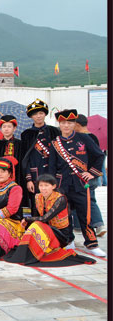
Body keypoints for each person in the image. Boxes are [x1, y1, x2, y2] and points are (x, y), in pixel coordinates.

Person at [48, 109, 105, 257]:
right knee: (64, 215)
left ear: (74, 124)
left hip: (80, 184)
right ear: (59, 124)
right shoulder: (55, 143)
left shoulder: (84, 138)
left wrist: (91, 173)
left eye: (69, 123)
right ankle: (69, 241)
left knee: (85, 215)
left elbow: (99, 155)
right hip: (62, 184)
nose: (66, 126)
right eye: (63, 123)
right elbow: (52, 166)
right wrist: (52, 185)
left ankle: (91, 244)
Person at [6, 174, 92, 266]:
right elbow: (35, 215)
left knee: (37, 224)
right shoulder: (38, 197)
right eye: (41, 185)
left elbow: (45, 218)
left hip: (60, 234)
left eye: (46, 185)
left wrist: (27, 219)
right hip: (46, 228)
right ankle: (27, 252)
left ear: (53, 186)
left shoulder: (60, 199)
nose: (43, 188)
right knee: (32, 226)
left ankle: (32, 253)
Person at [20, 99, 61, 216]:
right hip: (35, 174)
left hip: (52, 172)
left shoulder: (54, 131)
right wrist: (28, 179)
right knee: (36, 203)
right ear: (31, 116)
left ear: (45, 114)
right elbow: (25, 158)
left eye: (41, 113)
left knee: (54, 201)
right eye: (35, 114)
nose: (38, 116)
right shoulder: (26, 134)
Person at [72, 114, 105, 237]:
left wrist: (91, 173)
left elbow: (97, 157)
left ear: (77, 124)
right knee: (81, 198)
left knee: (88, 199)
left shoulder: (85, 138)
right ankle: (78, 225)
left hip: (87, 176)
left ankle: (98, 224)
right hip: (90, 175)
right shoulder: (93, 136)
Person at [0, 115, 24, 187]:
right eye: (4, 127)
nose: (6, 129)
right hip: (0, 175)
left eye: (9, 127)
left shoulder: (20, 144)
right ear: (1, 129)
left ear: (14, 128)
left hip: (17, 175)